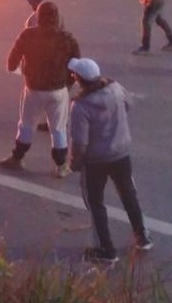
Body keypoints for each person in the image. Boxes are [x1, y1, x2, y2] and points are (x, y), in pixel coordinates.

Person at [68, 57, 152, 265]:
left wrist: (74, 163)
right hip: (121, 153)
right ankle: (142, 236)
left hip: (95, 161)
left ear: (79, 79)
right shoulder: (115, 88)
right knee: (128, 194)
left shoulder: (80, 106)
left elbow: (80, 142)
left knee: (95, 203)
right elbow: (129, 104)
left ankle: (106, 249)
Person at [0, 1, 79, 178]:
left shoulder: (28, 35)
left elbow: (11, 64)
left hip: (33, 89)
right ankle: (61, 165)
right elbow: (76, 66)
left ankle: (18, 158)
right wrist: (68, 84)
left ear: (38, 17)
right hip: (58, 90)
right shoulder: (67, 39)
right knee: (58, 128)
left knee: (26, 124)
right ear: (57, 18)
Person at [23, 0, 54, 132]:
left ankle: (29, 125)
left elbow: (28, 44)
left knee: (36, 95)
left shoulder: (33, 20)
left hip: (40, 63)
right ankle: (55, 120)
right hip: (56, 59)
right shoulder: (54, 13)